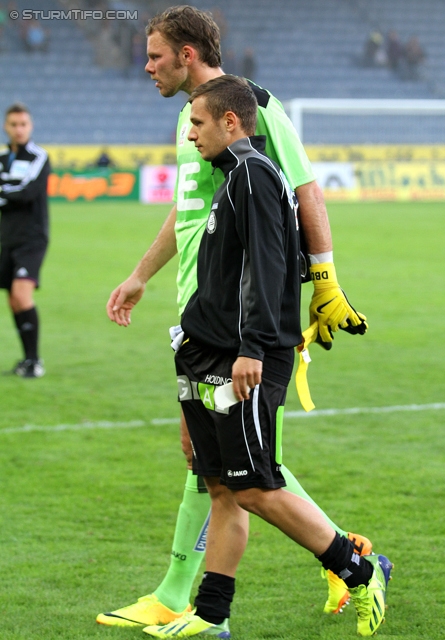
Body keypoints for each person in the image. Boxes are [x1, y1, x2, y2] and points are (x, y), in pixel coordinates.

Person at [99, 4, 369, 630]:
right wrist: (142, 273)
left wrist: (324, 280)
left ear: (186, 55)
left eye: (155, 56)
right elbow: (186, 209)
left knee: (240, 467)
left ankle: (347, 560)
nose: (147, 67)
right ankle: (197, 594)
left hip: (249, 318)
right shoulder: (190, 122)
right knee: (214, 461)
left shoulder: (254, 105)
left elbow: (305, 188)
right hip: (201, 308)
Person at [142, 72, 392, 640]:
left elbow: (268, 266)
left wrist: (252, 347)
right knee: (224, 487)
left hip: (247, 356)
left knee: (254, 485)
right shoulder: (229, 176)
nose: (190, 136)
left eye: (198, 124)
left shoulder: (253, 175)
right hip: (210, 351)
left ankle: (359, 570)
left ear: (231, 121)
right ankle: (211, 618)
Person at [0, 103, 50, 378]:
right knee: (13, 301)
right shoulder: (3, 159)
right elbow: (11, 194)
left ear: (29, 127)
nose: (19, 130)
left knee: (22, 294)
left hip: (32, 238)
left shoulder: (38, 157)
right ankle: (27, 361)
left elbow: (28, 192)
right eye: (13, 125)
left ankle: (35, 361)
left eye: (23, 125)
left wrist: (4, 190)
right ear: (6, 128)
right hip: (7, 238)